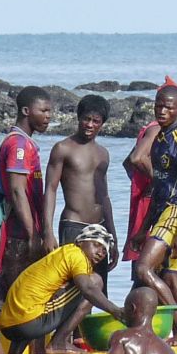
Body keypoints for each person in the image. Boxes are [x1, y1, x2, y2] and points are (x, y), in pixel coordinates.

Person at [127, 84, 177, 344]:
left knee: (144, 269)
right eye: (159, 105)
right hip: (161, 212)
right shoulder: (159, 139)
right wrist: (143, 228)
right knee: (172, 280)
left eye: (169, 107)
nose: (162, 110)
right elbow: (158, 187)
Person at [0, 224, 125, 354]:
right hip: (28, 323)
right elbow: (88, 289)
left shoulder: (63, 253)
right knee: (95, 282)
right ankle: (58, 342)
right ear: (81, 242)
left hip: (8, 326)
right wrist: (115, 311)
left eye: (105, 251)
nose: (100, 253)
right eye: (96, 245)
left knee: (42, 297)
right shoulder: (77, 256)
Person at [41, 94, 119, 291]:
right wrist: (47, 232)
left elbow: (104, 196)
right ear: (78, 117)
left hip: (99, 228)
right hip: (74, 225)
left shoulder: (103, 154)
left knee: (99, 289)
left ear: (102, 124)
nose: (90, 125)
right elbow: (50, 189)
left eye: (96, 121)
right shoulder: (63, 149)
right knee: (71, 288)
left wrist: (113, 237)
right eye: (86, 119)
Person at [0, 85, 53, 304]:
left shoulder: (25, 142)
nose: (48, 117)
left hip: (24, 232)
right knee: (16, 298)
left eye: (49, 112)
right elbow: (17, 191)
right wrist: (32, 235)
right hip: (18, 234)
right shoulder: (18, 143)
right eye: (43, 111)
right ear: (26, 111)